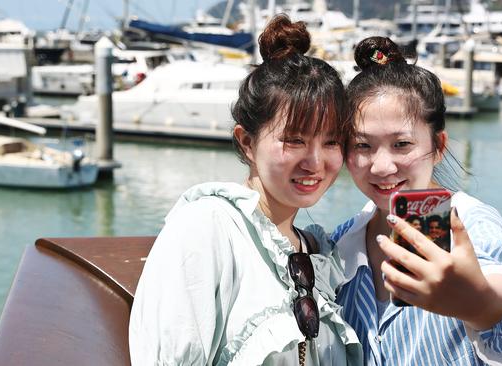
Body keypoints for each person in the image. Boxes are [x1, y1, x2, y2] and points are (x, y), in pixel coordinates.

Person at [129, 15, 363, 366]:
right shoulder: (208, 227)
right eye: (294, 140)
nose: (315, 162)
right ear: (247, 142)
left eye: (331, 142)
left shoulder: (315, 250)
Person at [330, 36, 502, 365]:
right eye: (363, 146)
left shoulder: (470, 226)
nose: (382, 166)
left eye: (401, 144)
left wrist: (476, 302)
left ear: (439, 146)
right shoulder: (343, 241)